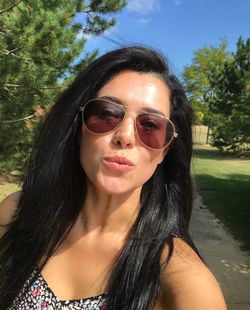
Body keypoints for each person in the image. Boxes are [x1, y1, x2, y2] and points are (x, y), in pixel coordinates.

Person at [0, 46, 226, 310]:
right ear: (79, 125)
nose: (125, 136)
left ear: (165, 150)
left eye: (150, 125)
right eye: (106, 114)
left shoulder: (186, 283)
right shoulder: (17, 214)